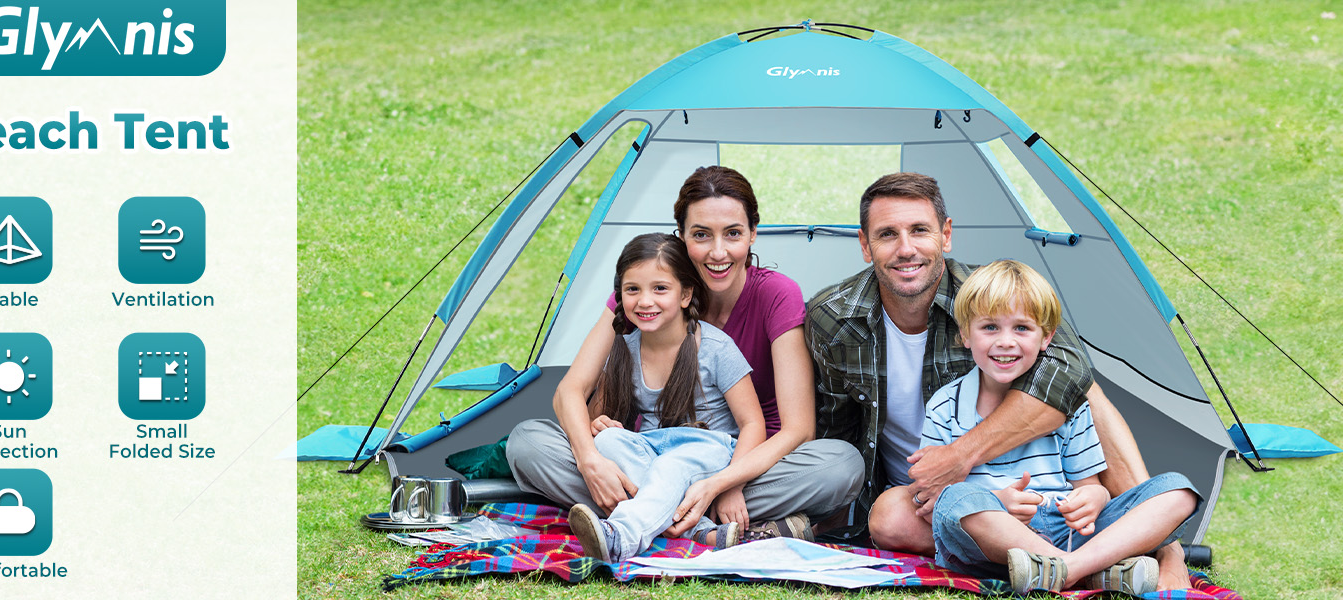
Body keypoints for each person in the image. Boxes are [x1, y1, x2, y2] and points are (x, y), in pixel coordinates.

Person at [805, 172, 1193, 589]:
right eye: (887, 234)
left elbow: (1071, 370)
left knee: (1087, 394)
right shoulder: (833, 317)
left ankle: (1152, 554)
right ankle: (1093, 564)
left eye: (920, 230)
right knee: (892, 514)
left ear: (946, 234)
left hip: (1045, 499)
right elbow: (837, 429)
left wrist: (960, 456)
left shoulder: (988, 296)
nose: (906, 249)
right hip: (940, 499)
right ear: (865, 245)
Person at [509, 166, 861, 540]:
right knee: (527, 443)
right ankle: (703, 525)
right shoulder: (647, 295)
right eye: (701, 235)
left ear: (753, 234)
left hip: (749, 467)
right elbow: (570, 391)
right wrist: (590, 460)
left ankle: (647, 515)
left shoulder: (776, 295)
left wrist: (724, 483)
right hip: (647, 458)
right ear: (681, 237)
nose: (718, 251)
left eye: (733, 234)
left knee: (841, 465)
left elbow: (799, 429)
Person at [922, 259, 1199, 594]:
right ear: (965, 334)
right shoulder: (944, 406)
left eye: (1021, 328)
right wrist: (998, 501)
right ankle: (1086, 570)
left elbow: (1091, 485)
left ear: (1046, 337)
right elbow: (936, 499)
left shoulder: (1067, 405)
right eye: (990, 327)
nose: (1006, 341)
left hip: (1065, 527)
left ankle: (1065, 569)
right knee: (956, 500)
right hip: (996, 538)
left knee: (1178, 490)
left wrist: (1092, 500)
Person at [563, 233, 766, 562]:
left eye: (660, 289)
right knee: (609, 442)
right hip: (652, 449)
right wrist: (598, 425)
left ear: (686, 294)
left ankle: (620, 537)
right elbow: (594, 419)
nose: (645, 301)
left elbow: (753, 423)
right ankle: (699, 530)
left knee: (670, 467)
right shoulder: (624, 350)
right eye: (633, 290)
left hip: (708, 450)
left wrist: (731, 484)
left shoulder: (717, 348)